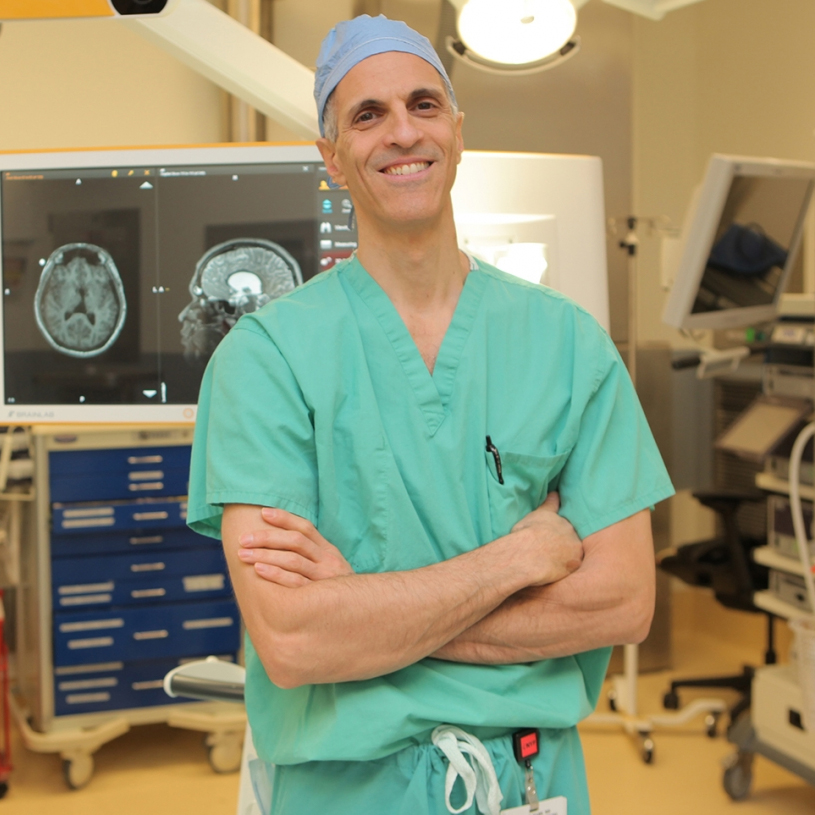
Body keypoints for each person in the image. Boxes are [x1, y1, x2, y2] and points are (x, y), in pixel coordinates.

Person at [187, 14, 674, 815]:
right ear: (331, 155)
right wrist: (517, 560)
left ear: (456, 130)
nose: (402, 132)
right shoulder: (265, 359)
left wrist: (368, 613)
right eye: (367, 115)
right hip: (347, 792)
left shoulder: (567, 345)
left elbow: (622, 602)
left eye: (423, 104)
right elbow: (296, 639)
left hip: (531, 779)